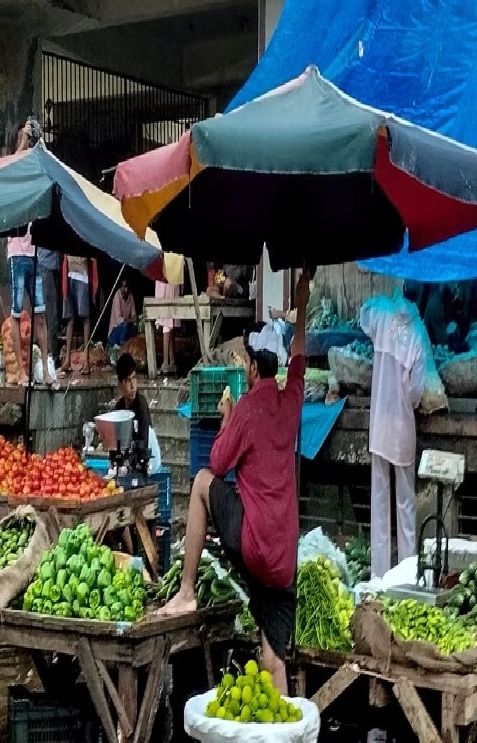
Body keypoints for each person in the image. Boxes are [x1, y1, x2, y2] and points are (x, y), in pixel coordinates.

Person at [159, 271, 309, 694]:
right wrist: (303, 301)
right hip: (284, 558)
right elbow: (300, 357)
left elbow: (217, 464)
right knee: (273, 657)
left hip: (256, 545)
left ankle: (186, 590)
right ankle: (284, 730)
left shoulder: (246, 407)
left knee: (202, 482)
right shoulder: (292, 398)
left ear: (248, 365)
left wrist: (227, 419)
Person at [360, 290, 427, 579]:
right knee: (405, 502)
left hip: (379, 426)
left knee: (379, 500)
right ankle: (408, 569)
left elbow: (363, 313)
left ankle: (379, 573)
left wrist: (379, 300)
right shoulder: (418, 333)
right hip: (402, 427)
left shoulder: (381, 316)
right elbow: (417, 391)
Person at [7, 225, 54, 387]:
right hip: (17, 254)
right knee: (16, 312)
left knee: (41, 314)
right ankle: (21, 370)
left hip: (34, 255)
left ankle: (46, 370)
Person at [114, 352, 152, 455]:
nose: (133, 386)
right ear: (120, 384)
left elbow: (145, 440)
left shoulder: (141, 405)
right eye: (127, 381)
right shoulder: (118, 408)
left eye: (134, 378)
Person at [62, 255, 92, 375]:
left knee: (85, 317)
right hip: (69, 273)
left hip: (82, 274)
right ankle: (67, 360)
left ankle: (86, 360)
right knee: (69, 318)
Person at [37, 245, 62, 363]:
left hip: (53, 265)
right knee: (51, 314)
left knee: (53, 314)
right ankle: (53, 357)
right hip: (46, 266)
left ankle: (54, 356)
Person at [154, 279, 180, 374]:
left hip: (166, 285)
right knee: (170, 323)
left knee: (166, 322)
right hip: (172, 282)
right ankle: (172, 362)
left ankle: (165, 363)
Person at [108, 277, 138, 348]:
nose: (125, 290)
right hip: (115, 332)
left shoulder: (130, 296)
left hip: (125, 329)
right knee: (124, 325)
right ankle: (122, 348)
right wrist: (131, 320)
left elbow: (134, 315)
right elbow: (119, 320)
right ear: (120, 287)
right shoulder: (117, 296)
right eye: (123, 287)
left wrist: (135, 321)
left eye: (126, 287)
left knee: (134, 329)